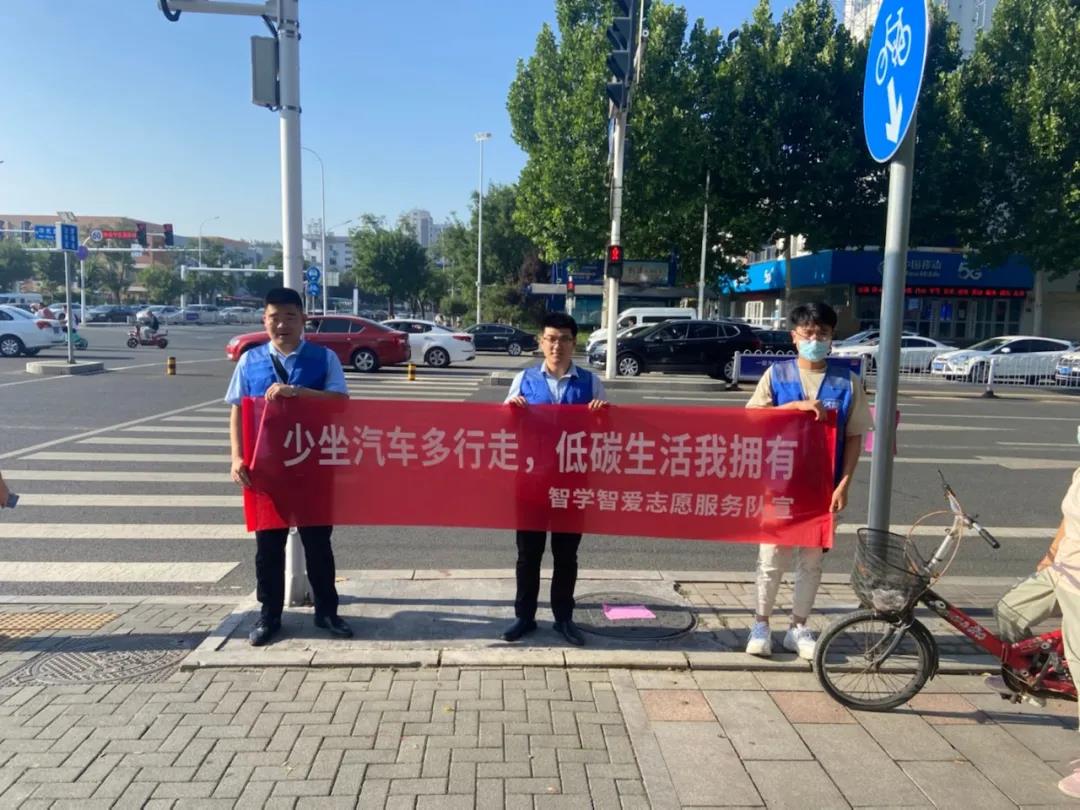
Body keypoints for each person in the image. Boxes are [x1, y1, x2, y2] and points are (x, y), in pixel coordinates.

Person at [225, 287, 354, 647]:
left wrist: (296, 391)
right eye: (274, 317)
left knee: (318, 544)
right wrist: (237, 456)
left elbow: (340, 402)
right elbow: (237, 409)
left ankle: (327, 612)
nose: (281, 324)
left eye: (290, 317)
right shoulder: (250, 361)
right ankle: (269, 616)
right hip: (266, 470)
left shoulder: (323, 358)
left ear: (303, 320)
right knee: (268, 547)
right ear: (264, 320)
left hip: (313, 466)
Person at [744, 302, 872, 659]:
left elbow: (854, 436)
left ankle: (798, 627)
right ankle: (761, 624)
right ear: (794, 337)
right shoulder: (777, 375)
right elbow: (752, 418)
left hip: (823, 490)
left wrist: (844, 484)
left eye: (823, 333)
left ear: (832, 338)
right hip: (778, 486)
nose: (815, 340)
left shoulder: (847, 383)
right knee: (771, 558)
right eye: (809, 333)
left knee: (811, 562)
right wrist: (795, 407)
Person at [502, 312, 609, 646]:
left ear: (573, 343)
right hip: (531, 483)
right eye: (550, 338)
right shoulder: (523, 380)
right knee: (528, 555)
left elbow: (607, 433)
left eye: (563, 339)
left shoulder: (591, 383)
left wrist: (602, 416)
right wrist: (511, 410)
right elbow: (502, 429)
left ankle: (564, 618)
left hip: (572, 483)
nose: (556, 345)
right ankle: (524, 616)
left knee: (566, 555)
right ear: (541, 342)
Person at [990, 462, 1080, 798]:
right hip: (1062, 570)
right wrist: (1051, 555)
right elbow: (1069, 519)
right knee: (1009, 611)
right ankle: (1029, 678)